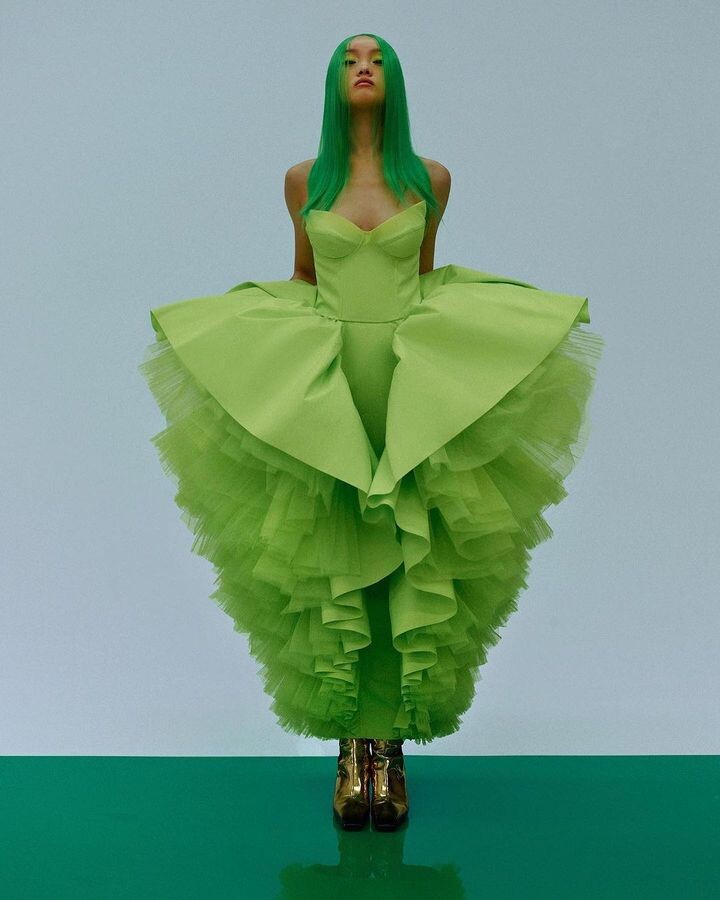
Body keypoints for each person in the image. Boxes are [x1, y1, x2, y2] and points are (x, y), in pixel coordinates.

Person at [139, 32, 603, 832]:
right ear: (333, 80)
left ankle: (390, 757)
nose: (364, 67)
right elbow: (304, 277)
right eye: (352, 59)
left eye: (378, 59)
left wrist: (483, 337)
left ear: (394, 81)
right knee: (340, 562)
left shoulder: (429, 179)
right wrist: (254, 338)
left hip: (407, 382)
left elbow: (422, 275)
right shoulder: (304, 180)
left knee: (408, 560)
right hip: (330, 387)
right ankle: (350, 755)